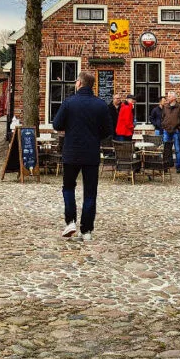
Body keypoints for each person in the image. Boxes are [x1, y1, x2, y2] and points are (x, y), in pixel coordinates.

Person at [52, 70, 112, 241]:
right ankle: (86, 230)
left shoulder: (69, 103)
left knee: (68, 187)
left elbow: (57, 124)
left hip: (71, 152)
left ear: (79, 83)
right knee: (90, 192)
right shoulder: (100, 104)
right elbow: (108, 130)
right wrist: (94, 137)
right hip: (92, 153)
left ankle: (70, 221)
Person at [161, 91, 180, 174]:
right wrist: (163, 125)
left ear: (174, 98)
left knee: (178, 149)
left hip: (176, 131)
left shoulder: (179, 107)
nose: (167, 98)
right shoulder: (165, 107)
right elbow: (163, 117)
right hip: (166, 130)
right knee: (166, 149)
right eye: (168, 96)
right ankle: (166, 165)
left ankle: (179, 167)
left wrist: (179, 128)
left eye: (169, 96)